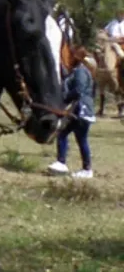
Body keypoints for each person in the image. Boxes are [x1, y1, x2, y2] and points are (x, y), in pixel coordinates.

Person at [48, 45, 96, 178]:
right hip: (82, 110)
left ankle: (62, 162)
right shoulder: (77, 71)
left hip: (80, 110)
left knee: (63, 134)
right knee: (80, 139)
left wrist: (65, 98)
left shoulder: (80, 71)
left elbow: (79, 90)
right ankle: (85, 168)